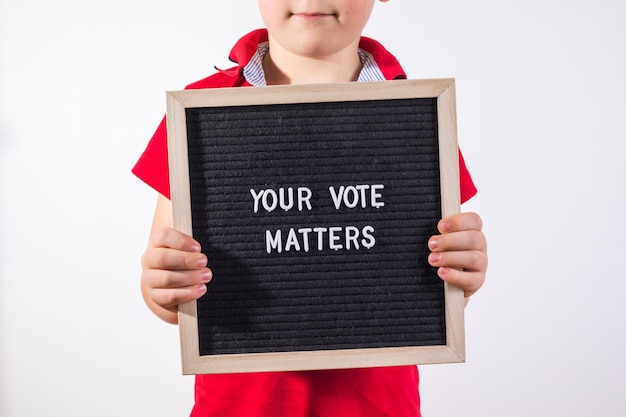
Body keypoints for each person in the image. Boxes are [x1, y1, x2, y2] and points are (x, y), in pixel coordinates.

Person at [133, 1, 488, 416]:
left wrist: (460, 273)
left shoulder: (418, 117)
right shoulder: (199, 113)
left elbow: (428, 290)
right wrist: (162, 288)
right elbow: (169, 292)